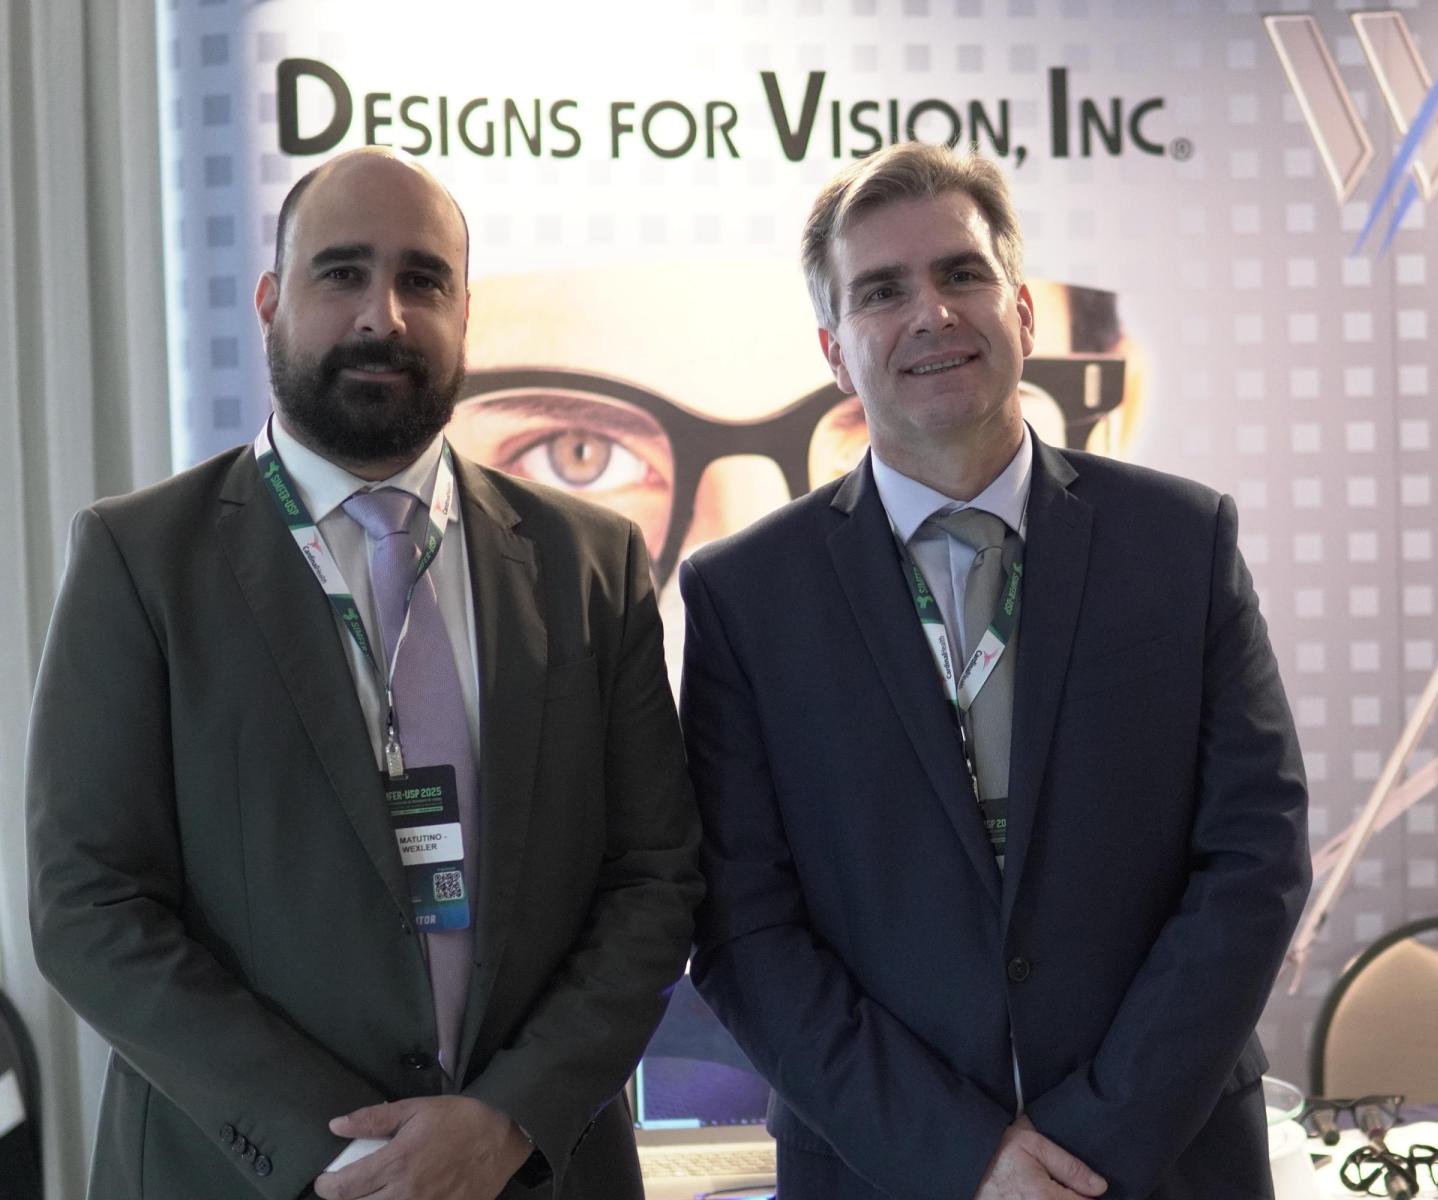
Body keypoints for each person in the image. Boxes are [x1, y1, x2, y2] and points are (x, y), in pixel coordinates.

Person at [26, 147, 702, 1200]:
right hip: (249, 1175)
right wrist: (344, 1153)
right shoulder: (141, 559)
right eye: (340, 272)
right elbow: (90, 906)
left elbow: (655, 879)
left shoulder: (590, 563)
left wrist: (507, 1119)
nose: (382, 315)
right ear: (270, 301)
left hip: (533, 1171)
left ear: (465, 314)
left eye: (421, 280)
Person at [677, 142, 1311, 1199]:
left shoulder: (1180, 542)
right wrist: (965, 1157)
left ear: (1021, 312)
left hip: (1164, 1160)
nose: (930, 313)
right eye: (882, 291)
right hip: (883, 1169)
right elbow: (744, 926)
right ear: (835, 352)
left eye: (961, 273)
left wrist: (1095, 1140)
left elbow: (1255, 856)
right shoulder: (746, 597)